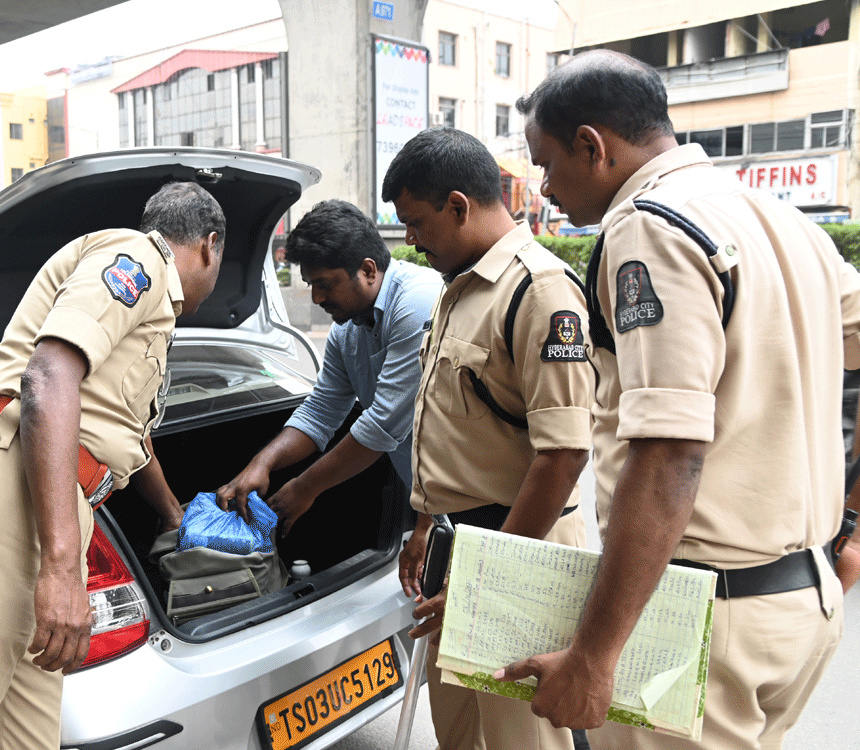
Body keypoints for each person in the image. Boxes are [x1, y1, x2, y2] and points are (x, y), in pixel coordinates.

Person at [497, 49, 860, 749]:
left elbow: (669, 452)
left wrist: (594, 657)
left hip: (703, 621)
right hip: (803, 604)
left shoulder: (650, 225)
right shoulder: (784, 221)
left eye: (546, 164)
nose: (544, 188)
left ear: (592, 146)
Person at [0, 181, 226, 750]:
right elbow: (48, 376)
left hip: (40, 505)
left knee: (24, 740)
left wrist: (172, 514)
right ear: (209, 245)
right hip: (2, 492)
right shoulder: (139, 259)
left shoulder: (152, 313)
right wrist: (61, 569)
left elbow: (124, 434)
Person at [382, 127, 593, 750]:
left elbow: (564, 454)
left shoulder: (539, 290)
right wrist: (425, 525)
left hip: (521, 552)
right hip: (457, 548)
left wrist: (488, 581)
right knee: (459, 732)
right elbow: (453, 430)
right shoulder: (460, 287)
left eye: (417, 224)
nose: (412, 241)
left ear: (458, 206)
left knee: (521, 739)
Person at [216, 199, 440, 533]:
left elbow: (383, 424)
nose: (316, 298)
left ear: (368, 270)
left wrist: (304, 487)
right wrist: (261, 463)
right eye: (311, 285)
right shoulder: (345, 331)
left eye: (325, 284)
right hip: (431, 498)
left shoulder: (418, 302)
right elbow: (321, 411)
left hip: (480, 496)